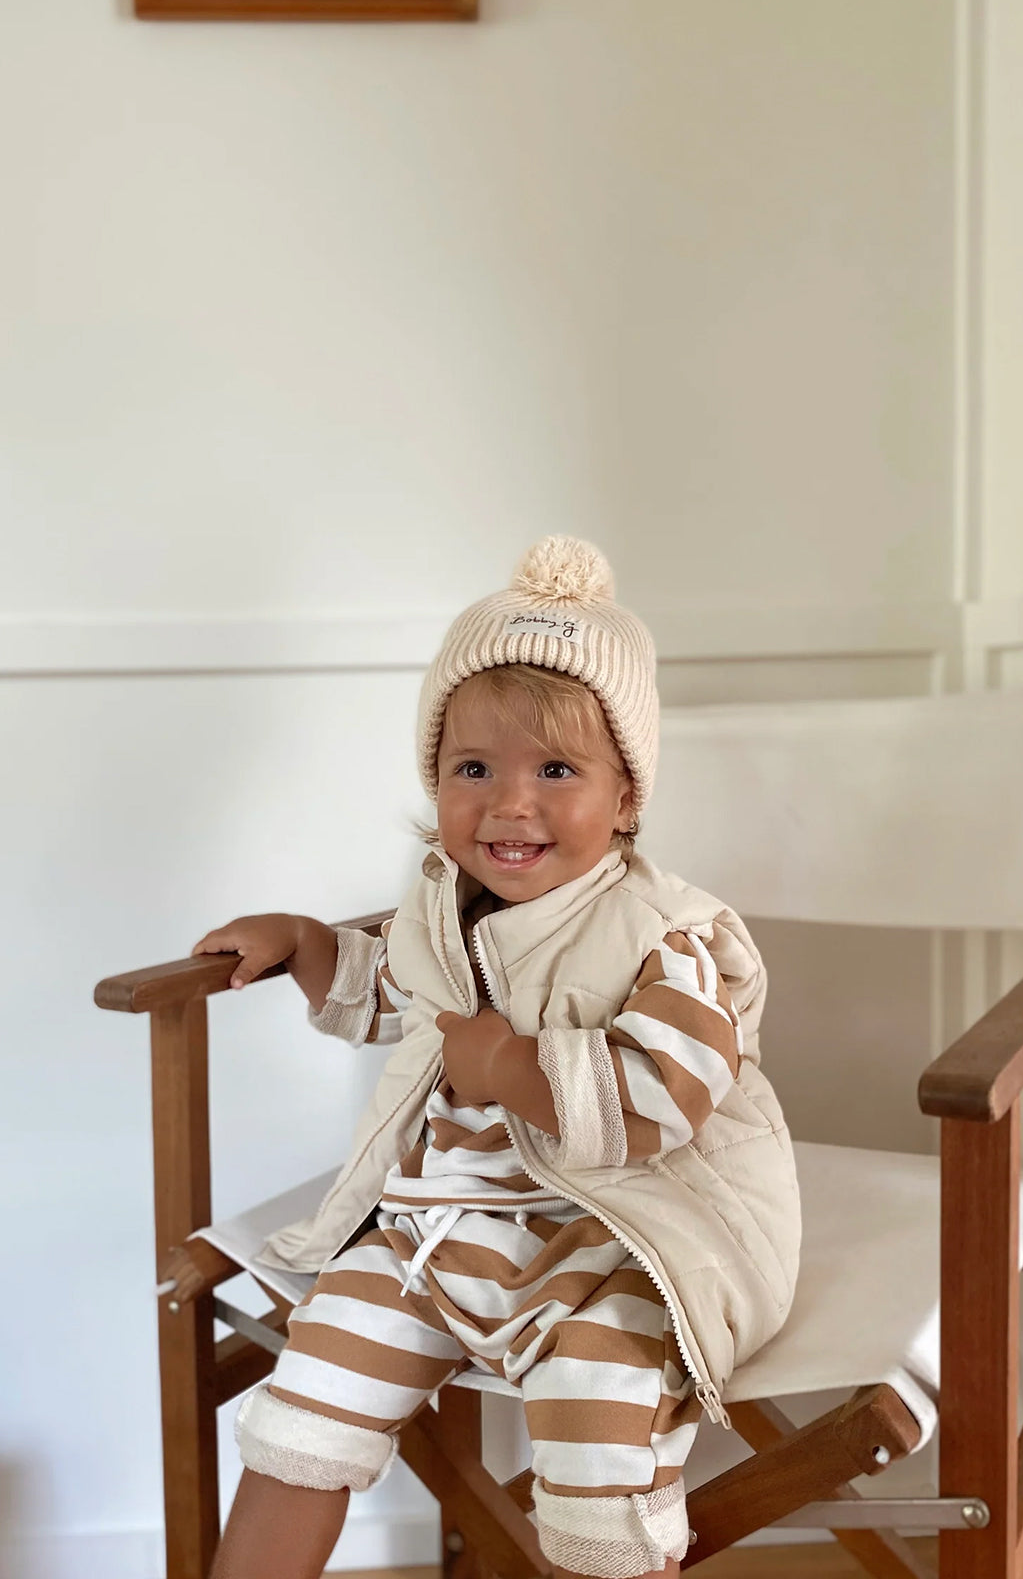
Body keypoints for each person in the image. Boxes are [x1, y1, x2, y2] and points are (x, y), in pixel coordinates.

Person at [182, 535, 801, 1579]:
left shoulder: (663, 932)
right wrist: (303, 942)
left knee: (597, 1404)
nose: (510, 803)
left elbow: (671, 1094)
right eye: (473, 770)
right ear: (437, 784)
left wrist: (516, 1068)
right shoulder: (437, 907)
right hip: (437, 1235)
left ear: (625, 798)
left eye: (555, 771)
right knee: (311, 1393)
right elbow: (392, 992)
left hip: (615, 1242)